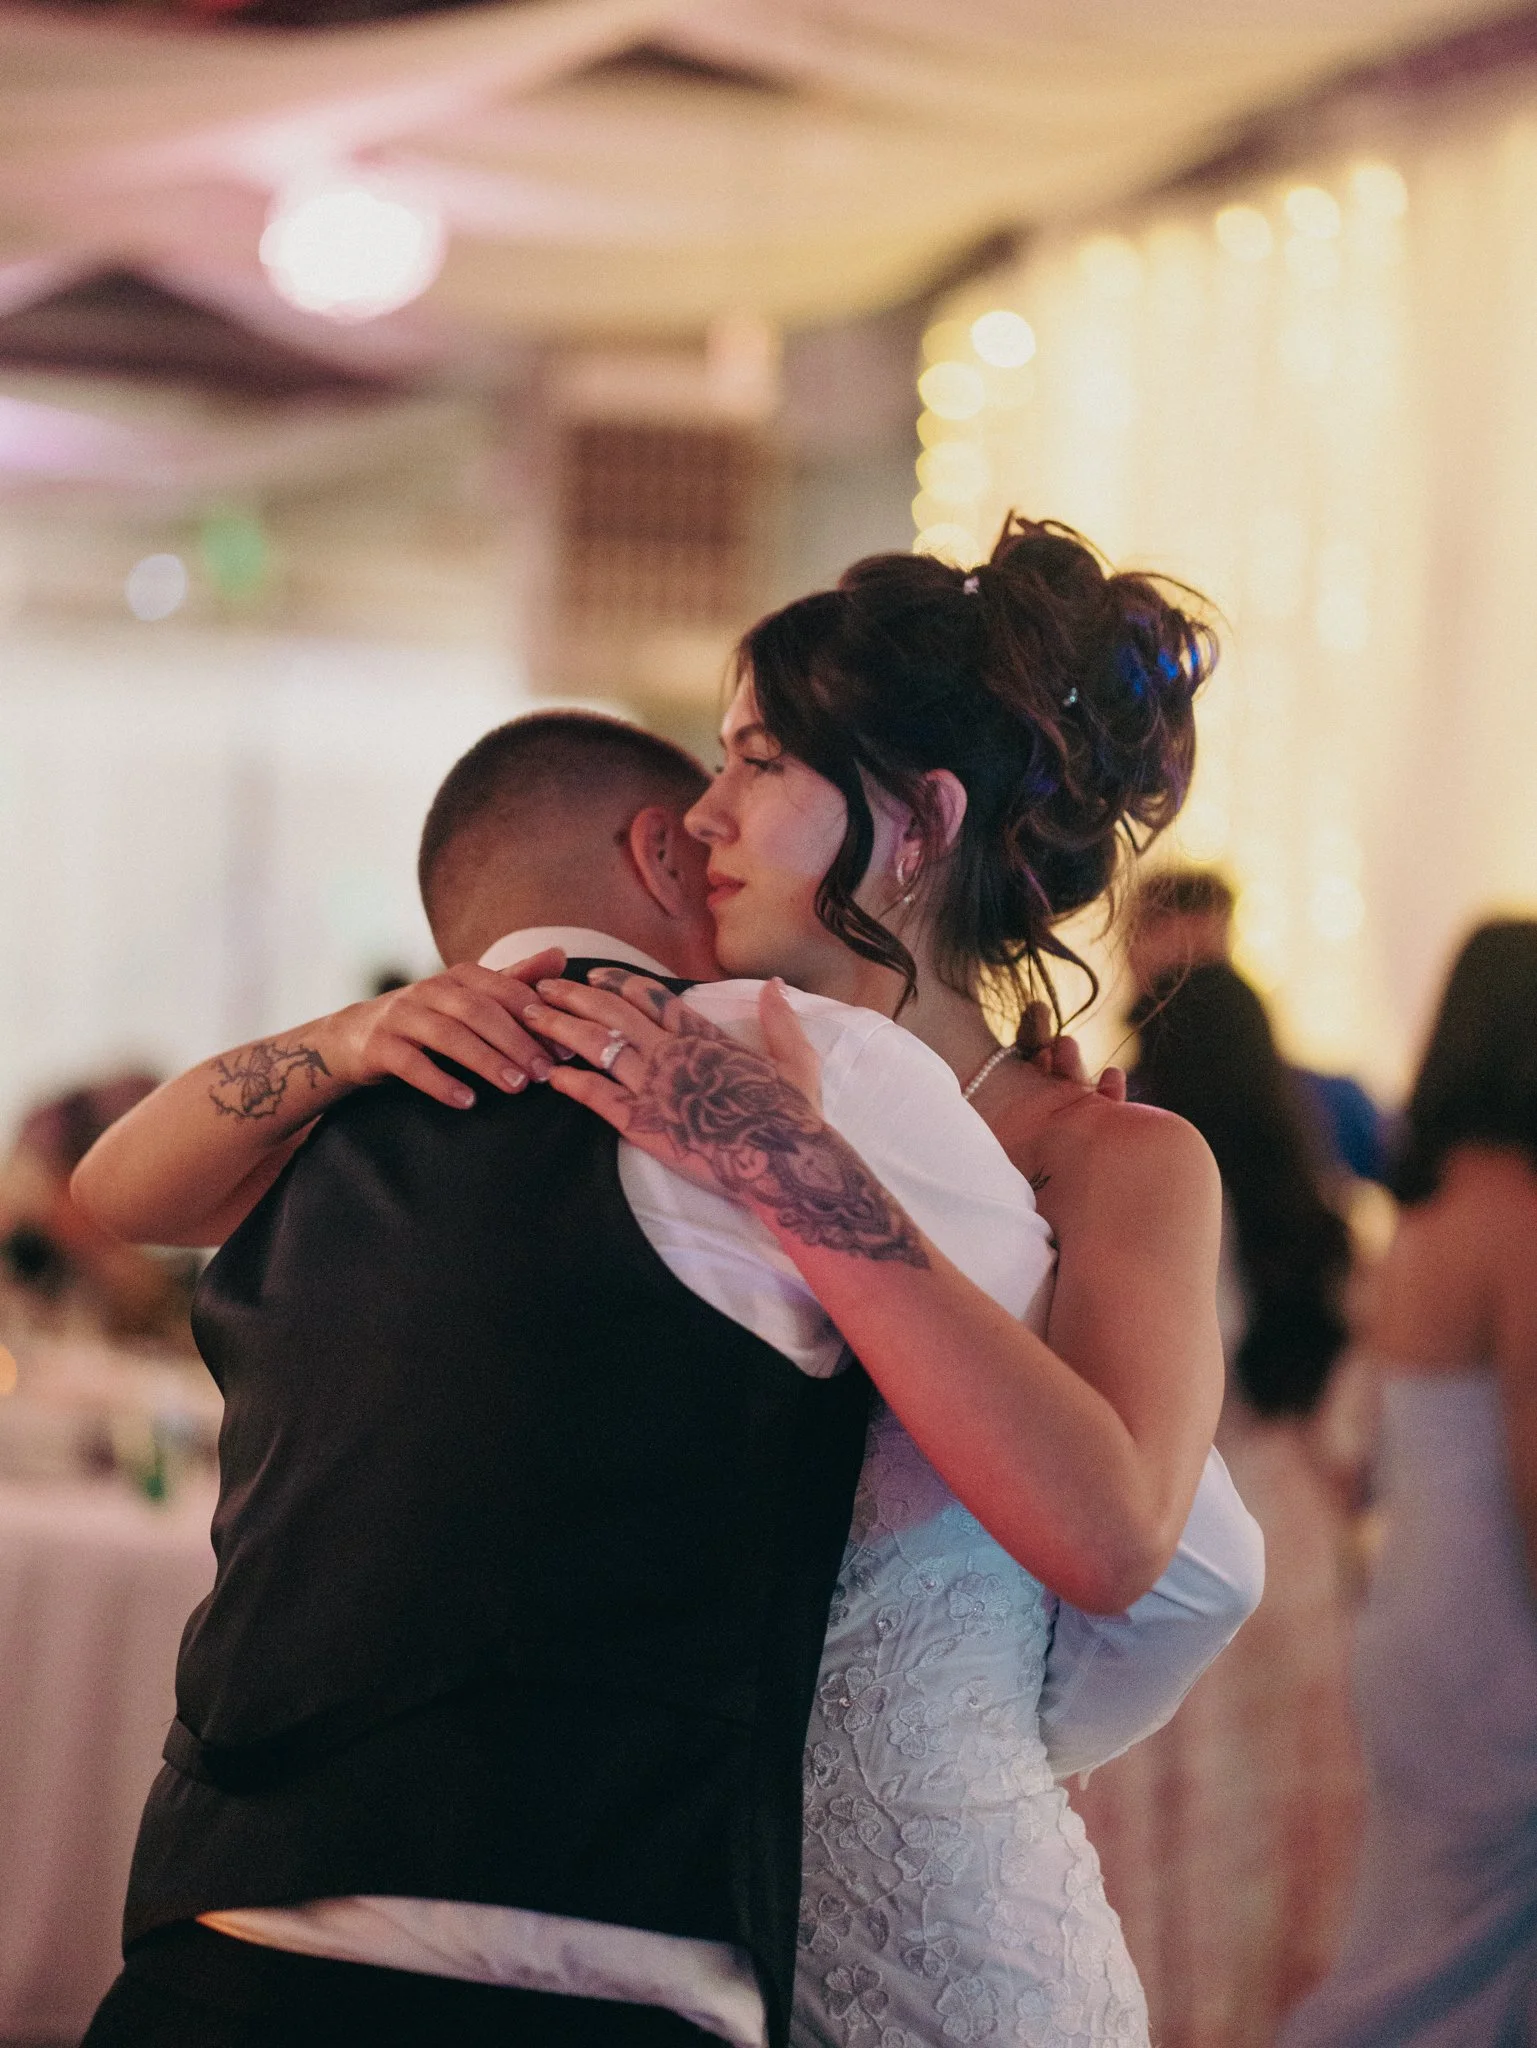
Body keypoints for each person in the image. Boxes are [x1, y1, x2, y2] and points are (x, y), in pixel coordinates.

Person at [71, 710, 1261, 2048]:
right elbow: (1184, 1565)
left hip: (220, 1929)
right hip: (620, 1933)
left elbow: (112, 1191)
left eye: (755, 770)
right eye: (719, 785)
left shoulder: (354, 1084)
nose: (720, 828)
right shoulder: (805, 1063)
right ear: (656, 852)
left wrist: (339, 1041)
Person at [522, 519, 1250, 2045]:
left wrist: (797, 1170)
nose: (702, 813)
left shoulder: (1113, 1163)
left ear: (917, 823)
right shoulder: (681, 1063)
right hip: (666, 1924)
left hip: (944, 1948)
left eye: (760, 761)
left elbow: (1124, 1546)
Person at [1075, 961, 1360, 2047]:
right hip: (1291, 1548)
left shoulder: (1151, 1195)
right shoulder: (1309, 1208)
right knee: (1270, 1844)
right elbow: (1344, 1421)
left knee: (1175, 1851)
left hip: (1187, 1539)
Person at [1279, 920, 1537, 2048]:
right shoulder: (1519, 1219)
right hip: (1501, 1618)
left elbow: (1368, 1450)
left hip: (1412, 1619)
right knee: (1454, 1966)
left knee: (1414, 1934)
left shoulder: (1423, 1219)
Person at [1126, 869, 1391, 1187]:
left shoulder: (1331, 1102)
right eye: (1175, 979)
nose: (1199, 998)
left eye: (1211, 971)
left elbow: (1421, 1183)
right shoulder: (1120, 1114)